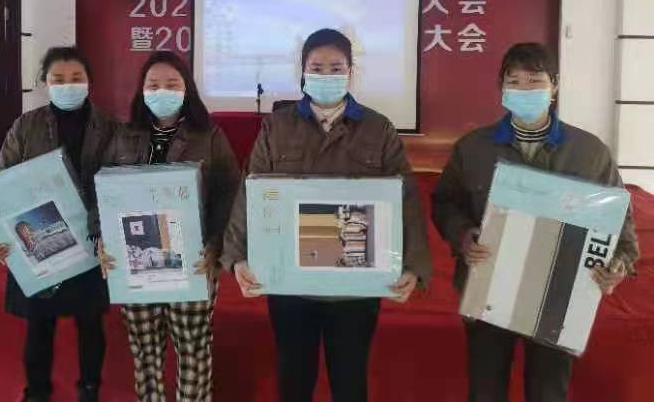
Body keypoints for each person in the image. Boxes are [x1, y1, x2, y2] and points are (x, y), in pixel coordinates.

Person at [221, 28, 432, 402]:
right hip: (291, 279)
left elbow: (407, 199)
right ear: (303, 70)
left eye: (336, 68)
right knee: (294, 379)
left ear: (351, 71)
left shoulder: (378, 128)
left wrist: (413, 265)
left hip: (355, 283)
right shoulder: (277, 126)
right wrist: (237, 257)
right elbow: (249, 191)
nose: (327, 75)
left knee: (349, 381)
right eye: (317, 67)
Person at [431, 42, 639, 402]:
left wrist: (617, 264)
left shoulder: (590, 152)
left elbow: (620, 225)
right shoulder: (473, 148)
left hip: (560, 294)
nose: (524, 90)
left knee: (548, 392)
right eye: (514, 82)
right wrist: (464, 236)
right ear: (501, 88)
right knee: (485, 389)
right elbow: (445, 203)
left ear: (554, 85)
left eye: (535, 81)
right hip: (490, 287)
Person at [98, 51, 240, 402]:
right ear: (142, 90)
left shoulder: (209, 136)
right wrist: (101, 239)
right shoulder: (123, 135)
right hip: (136, 258)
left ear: (187, 89)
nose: (162, 91)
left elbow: (229, 194)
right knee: (145, 348)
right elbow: (103, 192)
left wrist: (215, 246)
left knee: (192, 345)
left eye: (172, 84)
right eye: (154, 84)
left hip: (193, 258)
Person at [0, 47, 115, 402]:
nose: (68, 85)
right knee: (39, 324)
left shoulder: (111, 127)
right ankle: (37, 393)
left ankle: (89, 390)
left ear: (89, 82)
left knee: (90, 322)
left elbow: (120, 183)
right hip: (39, 239)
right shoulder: (26, 126)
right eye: (58, 79)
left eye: (76, 78)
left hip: (93, 239)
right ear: (45, 83)